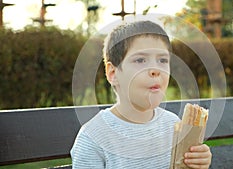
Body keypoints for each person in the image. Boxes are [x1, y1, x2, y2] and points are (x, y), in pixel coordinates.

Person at [71, 20, 212, 169]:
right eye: (140, 60)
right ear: (113, 73)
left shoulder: (173, 125)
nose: (155, 69)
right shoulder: (94, 137)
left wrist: (198, 162)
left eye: (162, 60)